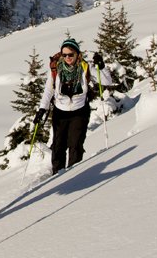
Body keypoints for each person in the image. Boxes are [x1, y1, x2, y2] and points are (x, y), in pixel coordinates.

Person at [33, 38, 110, 175]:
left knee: (75, 146)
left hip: (79, 112)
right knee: (58, 146)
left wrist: (101, 66)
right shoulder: (56, 68)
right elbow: (49, 90)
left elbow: (106, 81)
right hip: (60, 112)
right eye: (64, 55)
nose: (67, 57)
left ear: (77, 54)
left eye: (71, 54)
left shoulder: (85, 67)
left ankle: (74, 176)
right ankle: (57, 176)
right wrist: (42, 109)